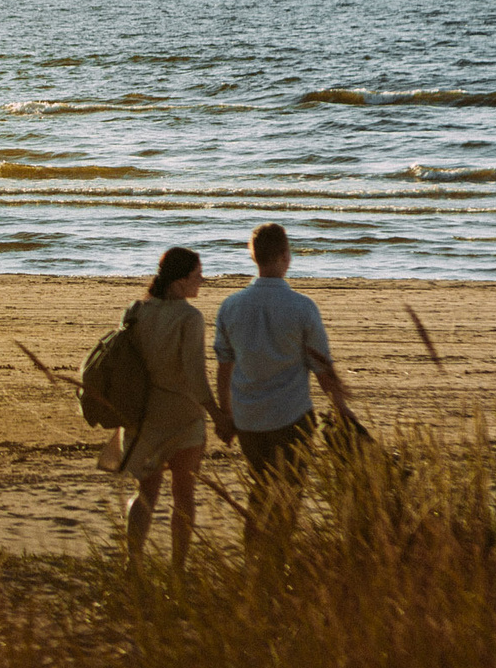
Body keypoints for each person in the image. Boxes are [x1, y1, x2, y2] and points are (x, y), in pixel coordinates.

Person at [213, 224, 356, 506]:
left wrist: (226, 414)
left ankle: (255, 548)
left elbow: (224, 366)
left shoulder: (231, 306)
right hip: (290, 415)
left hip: (248, 417)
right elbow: (321, 367)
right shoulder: (302, 307)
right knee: (289, 491)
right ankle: (277, 547)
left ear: (253, 256)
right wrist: (341, 408)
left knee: (261, 485)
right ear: (285, 256)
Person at [118, 246, 224, 573]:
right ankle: (177, 569)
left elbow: (126, 364)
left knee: (146, 493)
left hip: (142, 415)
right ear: (179, 280)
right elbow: (195, 375)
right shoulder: (189, 317)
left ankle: (132, 565)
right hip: (183, 417)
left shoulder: (135, 310)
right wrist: (218, 415)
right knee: (184, 494)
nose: (202, 280)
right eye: (197, 275)